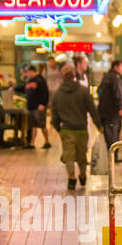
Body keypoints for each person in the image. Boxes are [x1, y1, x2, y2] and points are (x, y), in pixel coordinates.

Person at [51, 61, 101, 190]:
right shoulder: (83, 91)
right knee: (82, 154)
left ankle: (71, 178)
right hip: (81, 129)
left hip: (66, 129)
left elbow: (54, 115)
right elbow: (92, 110)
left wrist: (59, 128)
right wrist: (99, 126)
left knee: (69, 155)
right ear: (74, 76)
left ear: (62, 77)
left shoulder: (58, 94)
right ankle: (83, 175)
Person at [98, 58, 122, 151]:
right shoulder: (115, 78)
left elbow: (99, 90)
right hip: (112, 112)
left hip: (104, 111)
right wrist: (120, 107)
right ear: (116, 67)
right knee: (113, 135)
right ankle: (114, 157)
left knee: (109, 134)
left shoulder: (107, 76)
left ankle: (112, 156)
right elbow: (117, 94)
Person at [23, 63, 50, 149]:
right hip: (31, 106)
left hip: (39, 107)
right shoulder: (28, 81)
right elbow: (23, 88)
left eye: (28, 72)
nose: (27, 74)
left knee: (42, 125)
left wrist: (43, 104)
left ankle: (47, 141)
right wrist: (14, 88)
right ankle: (32, 143)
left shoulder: (40, 80)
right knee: (33, 126)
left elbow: (45, 93)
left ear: (33, 71)